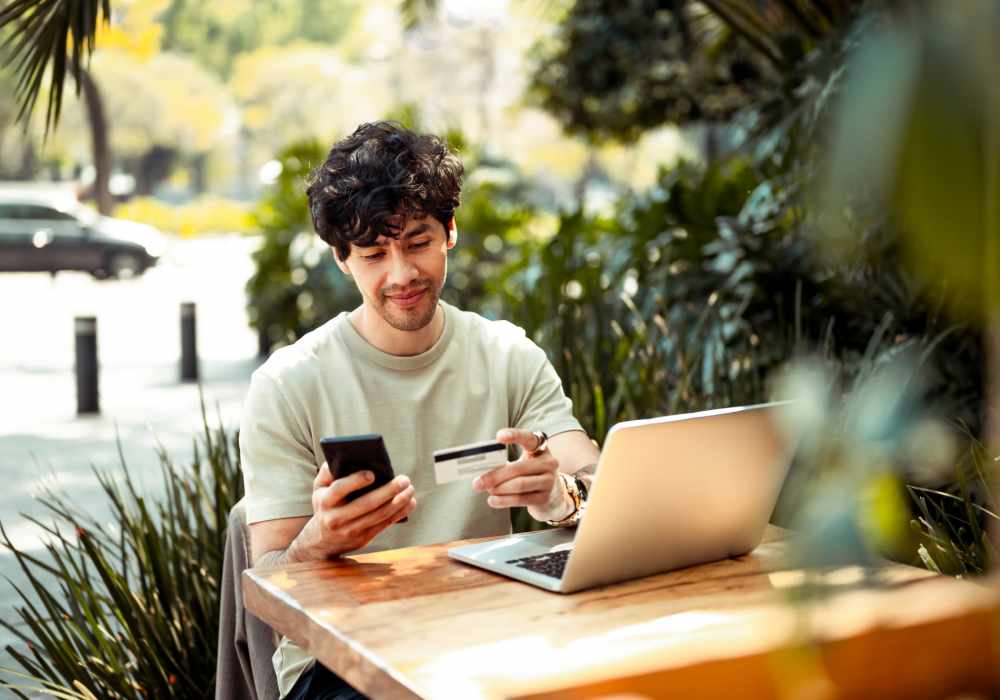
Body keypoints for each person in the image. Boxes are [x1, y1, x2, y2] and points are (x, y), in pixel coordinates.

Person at [239, 121, 600, 700]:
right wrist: (319, 539)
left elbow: (597, 484)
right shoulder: (288, 383)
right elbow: (271, 578)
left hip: (492, 632)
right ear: (341, 259)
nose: (401, 274)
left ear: (450, 233)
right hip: (340, 663)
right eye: (374, 253)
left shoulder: (507, 355)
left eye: (417, 243)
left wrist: (562, 496)